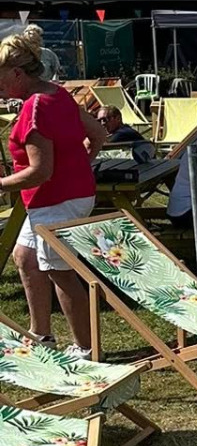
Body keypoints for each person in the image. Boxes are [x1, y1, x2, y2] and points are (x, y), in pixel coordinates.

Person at [0, 27, 106, 352]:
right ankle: (41, 334)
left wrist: (1, 185)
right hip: (67, 196)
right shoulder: (57, 94)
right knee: (25, 256)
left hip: (56, 201)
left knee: (61, 274)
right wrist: (78, 166)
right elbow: (99, 133)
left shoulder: (34, 109)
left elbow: (40, 171)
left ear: (17, 73)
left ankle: (87, 349)